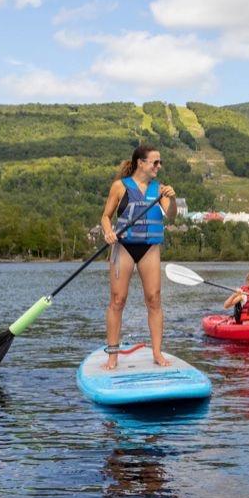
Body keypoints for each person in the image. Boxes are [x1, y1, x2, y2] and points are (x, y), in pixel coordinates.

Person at [100, 144, 177, 370]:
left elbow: (170, 216)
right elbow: (106, 216)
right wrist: (108, 232)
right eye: (155, 162)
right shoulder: (119, 187)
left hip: (149, 248)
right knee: (117, 300)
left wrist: (171, 199)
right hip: (123, 246)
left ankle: (157, 353)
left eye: (160, 162)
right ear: (141, 163)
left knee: (154, 299)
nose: (159, 166)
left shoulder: (159, 189)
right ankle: (113, 356)